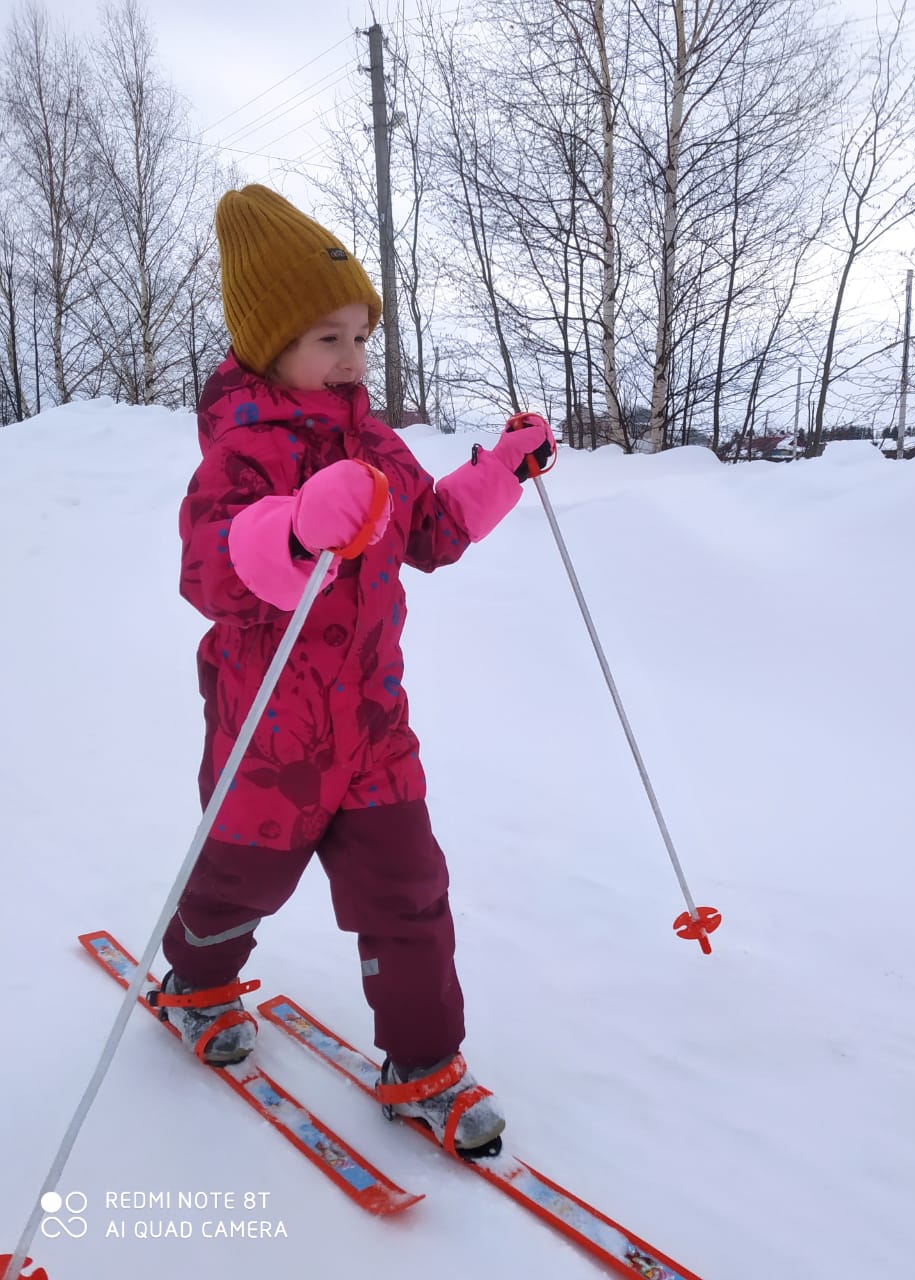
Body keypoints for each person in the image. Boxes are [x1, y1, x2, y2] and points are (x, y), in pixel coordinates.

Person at [156, 184, 554, 1158]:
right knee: (240, 884)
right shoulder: (243, 449)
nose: (350, 358)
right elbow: (207, 566)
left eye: (361, 336)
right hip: (272, 733)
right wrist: (291, 525)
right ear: (270, 343)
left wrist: (502, 469)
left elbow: (434, 529)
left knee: (409, 885)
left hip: (373, 724)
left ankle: (424, 1063)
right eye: (326, 338)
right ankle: (196, 984)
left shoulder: (376, 443)